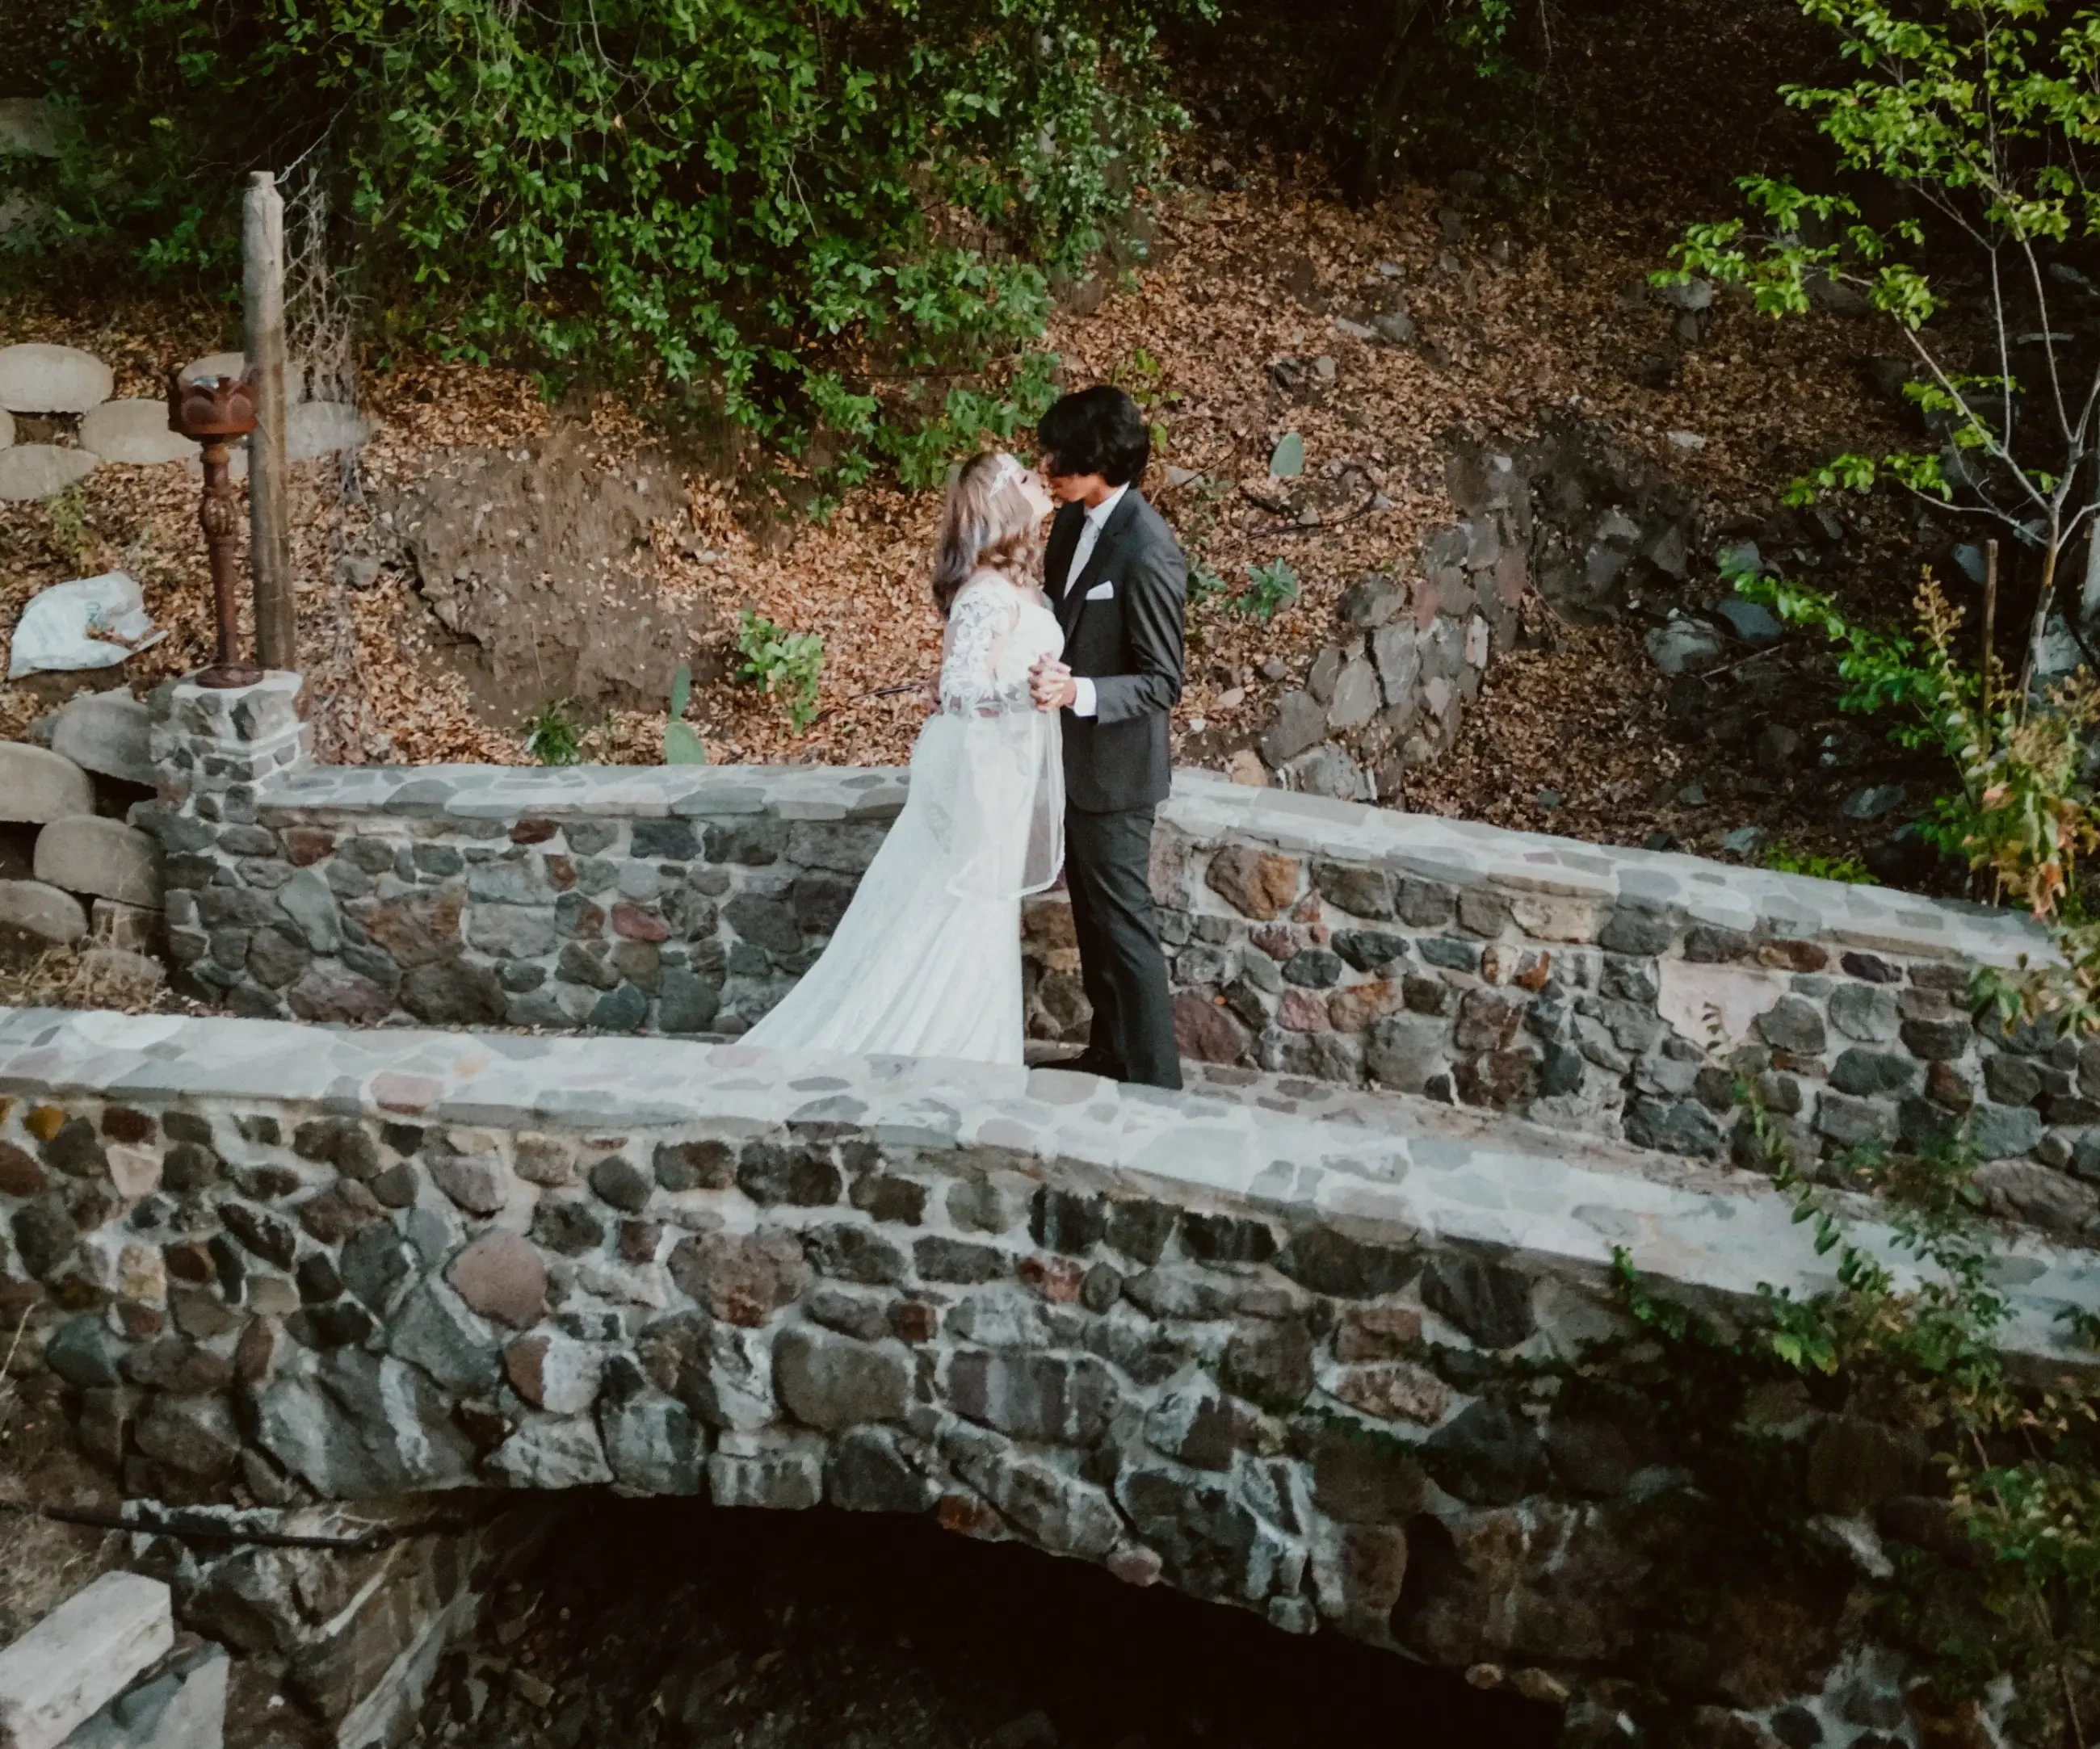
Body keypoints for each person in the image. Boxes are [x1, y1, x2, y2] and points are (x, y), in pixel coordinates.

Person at [742, 452, 1065, 1064]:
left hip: (1004, 770)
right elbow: (961, 688)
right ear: (1004, 502)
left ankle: (974, 1050)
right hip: (974, 770)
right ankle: (927, 1048)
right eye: (1024, 477)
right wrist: (1028, 692)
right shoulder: (986, 594)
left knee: (983, 912)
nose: (1037, 480)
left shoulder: (1022, 585)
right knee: (951, 905)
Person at [1027, 386, 1187, 1090]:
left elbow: (1162, 681)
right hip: (1070, 763)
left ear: (1101, 462)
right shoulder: (1069, 522)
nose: (1047, 466)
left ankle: (1156, 1084)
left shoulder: (1150, 550)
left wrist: (1079, 693)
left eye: (1060, 456)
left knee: (1125, 928)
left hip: (1119, 773)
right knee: (1094, 924)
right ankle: (1110, 1054)